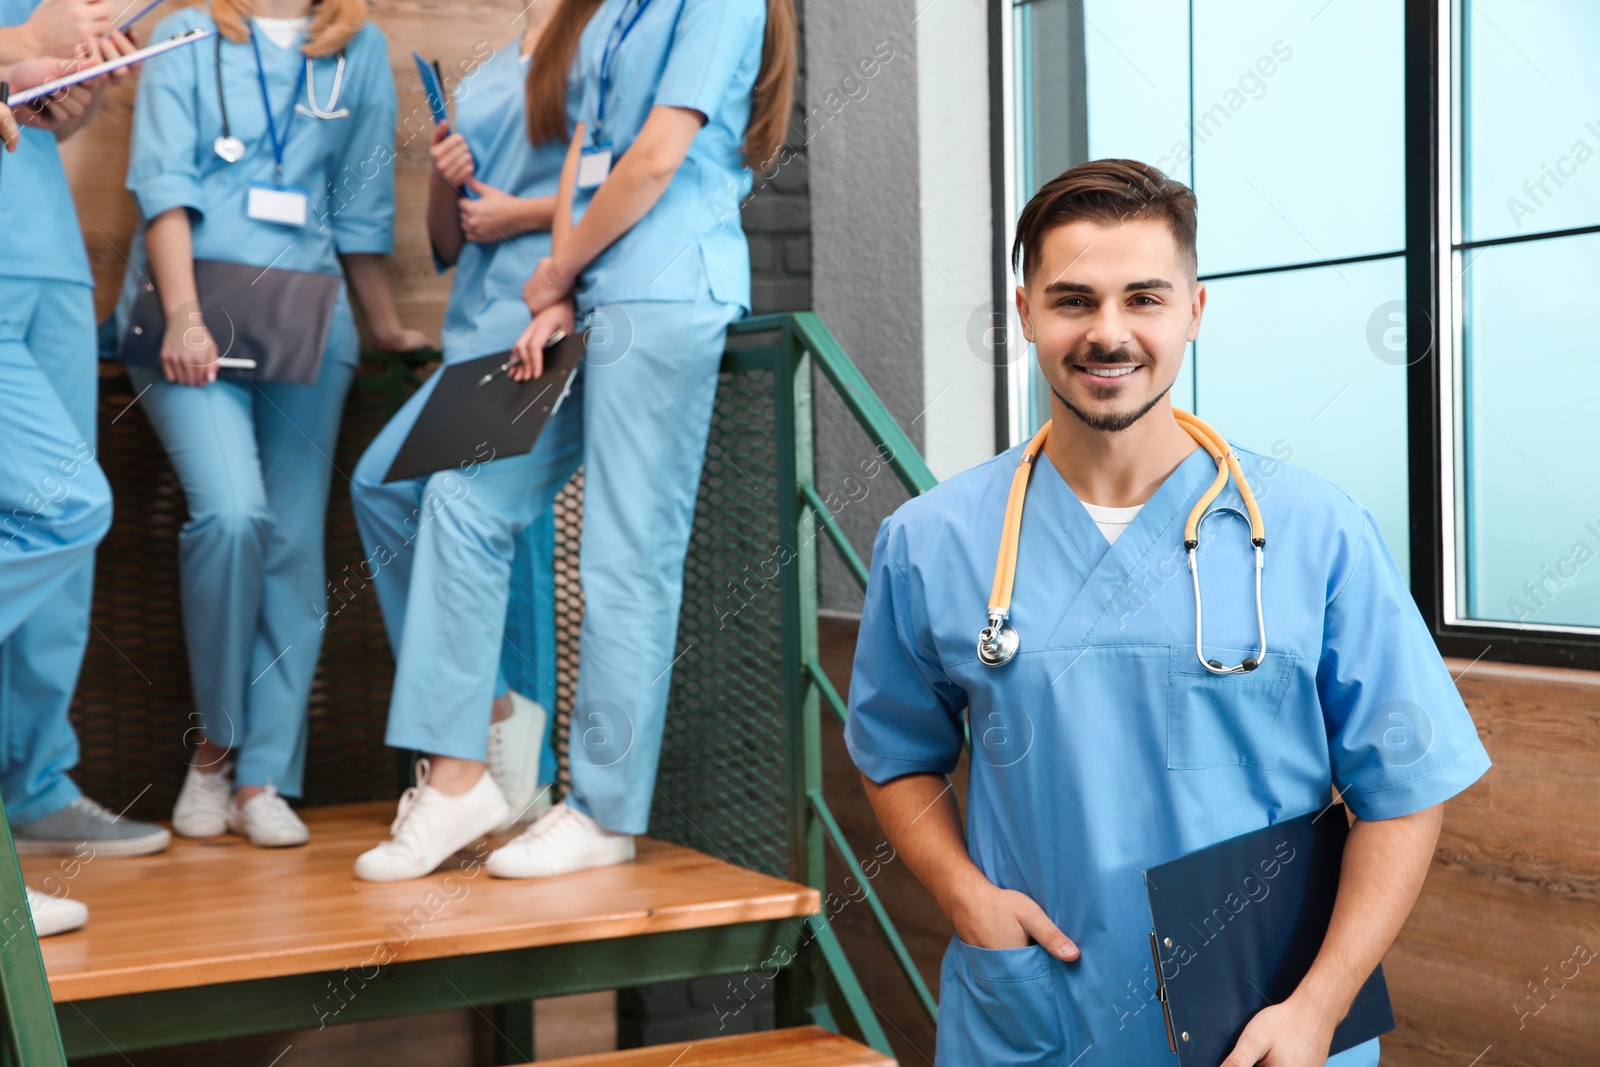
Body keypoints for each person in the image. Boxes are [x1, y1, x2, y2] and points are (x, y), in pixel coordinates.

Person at [845, 159, 1493, 1066]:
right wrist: (963, 896)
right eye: (1073, 300)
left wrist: (1317, 1008)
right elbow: (895, 757)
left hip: (1265, 1031)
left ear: (1193, 310)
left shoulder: (1316, 531)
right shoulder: (933, 541)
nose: (1108, 333)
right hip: (1039, 1016)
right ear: (1025, 312)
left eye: (1142, 297)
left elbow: (1404, 791)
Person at [352, 0, 796, 882]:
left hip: (667, 291)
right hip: (589, 293)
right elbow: (582, 166)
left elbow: (655, 158)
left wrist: (559, 269)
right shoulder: (608, 15)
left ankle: (602, 810)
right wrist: (560, 289)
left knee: (625, 558)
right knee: (462, 496)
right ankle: (462, 779)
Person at [113, 0, 426, 848]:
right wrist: (181, 315)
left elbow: (359, 209)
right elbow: (163, 186)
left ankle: (263, 780)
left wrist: (385, 323)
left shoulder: (356, 49)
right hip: (191, 321)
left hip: (308, 324)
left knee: (292, 546)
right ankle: (214, 747)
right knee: (234, 514)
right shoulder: (184, 32)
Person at [346, 0, 595, 881]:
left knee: (459, 508)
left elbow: (602, 193)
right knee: (379, 486)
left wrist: (519, 216)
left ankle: (465, 769)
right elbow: (446, 241)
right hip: (473, 337)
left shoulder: (593, 48)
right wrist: (443, 181)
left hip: (539, 335)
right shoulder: (491, 69)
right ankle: (488, 709)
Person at [0, 1, 171, 929]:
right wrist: (31, 43)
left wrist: (67, 91)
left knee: (62, 541)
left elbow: (40, 101)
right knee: (59, 509)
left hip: (51, 259)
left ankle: (34, 782)